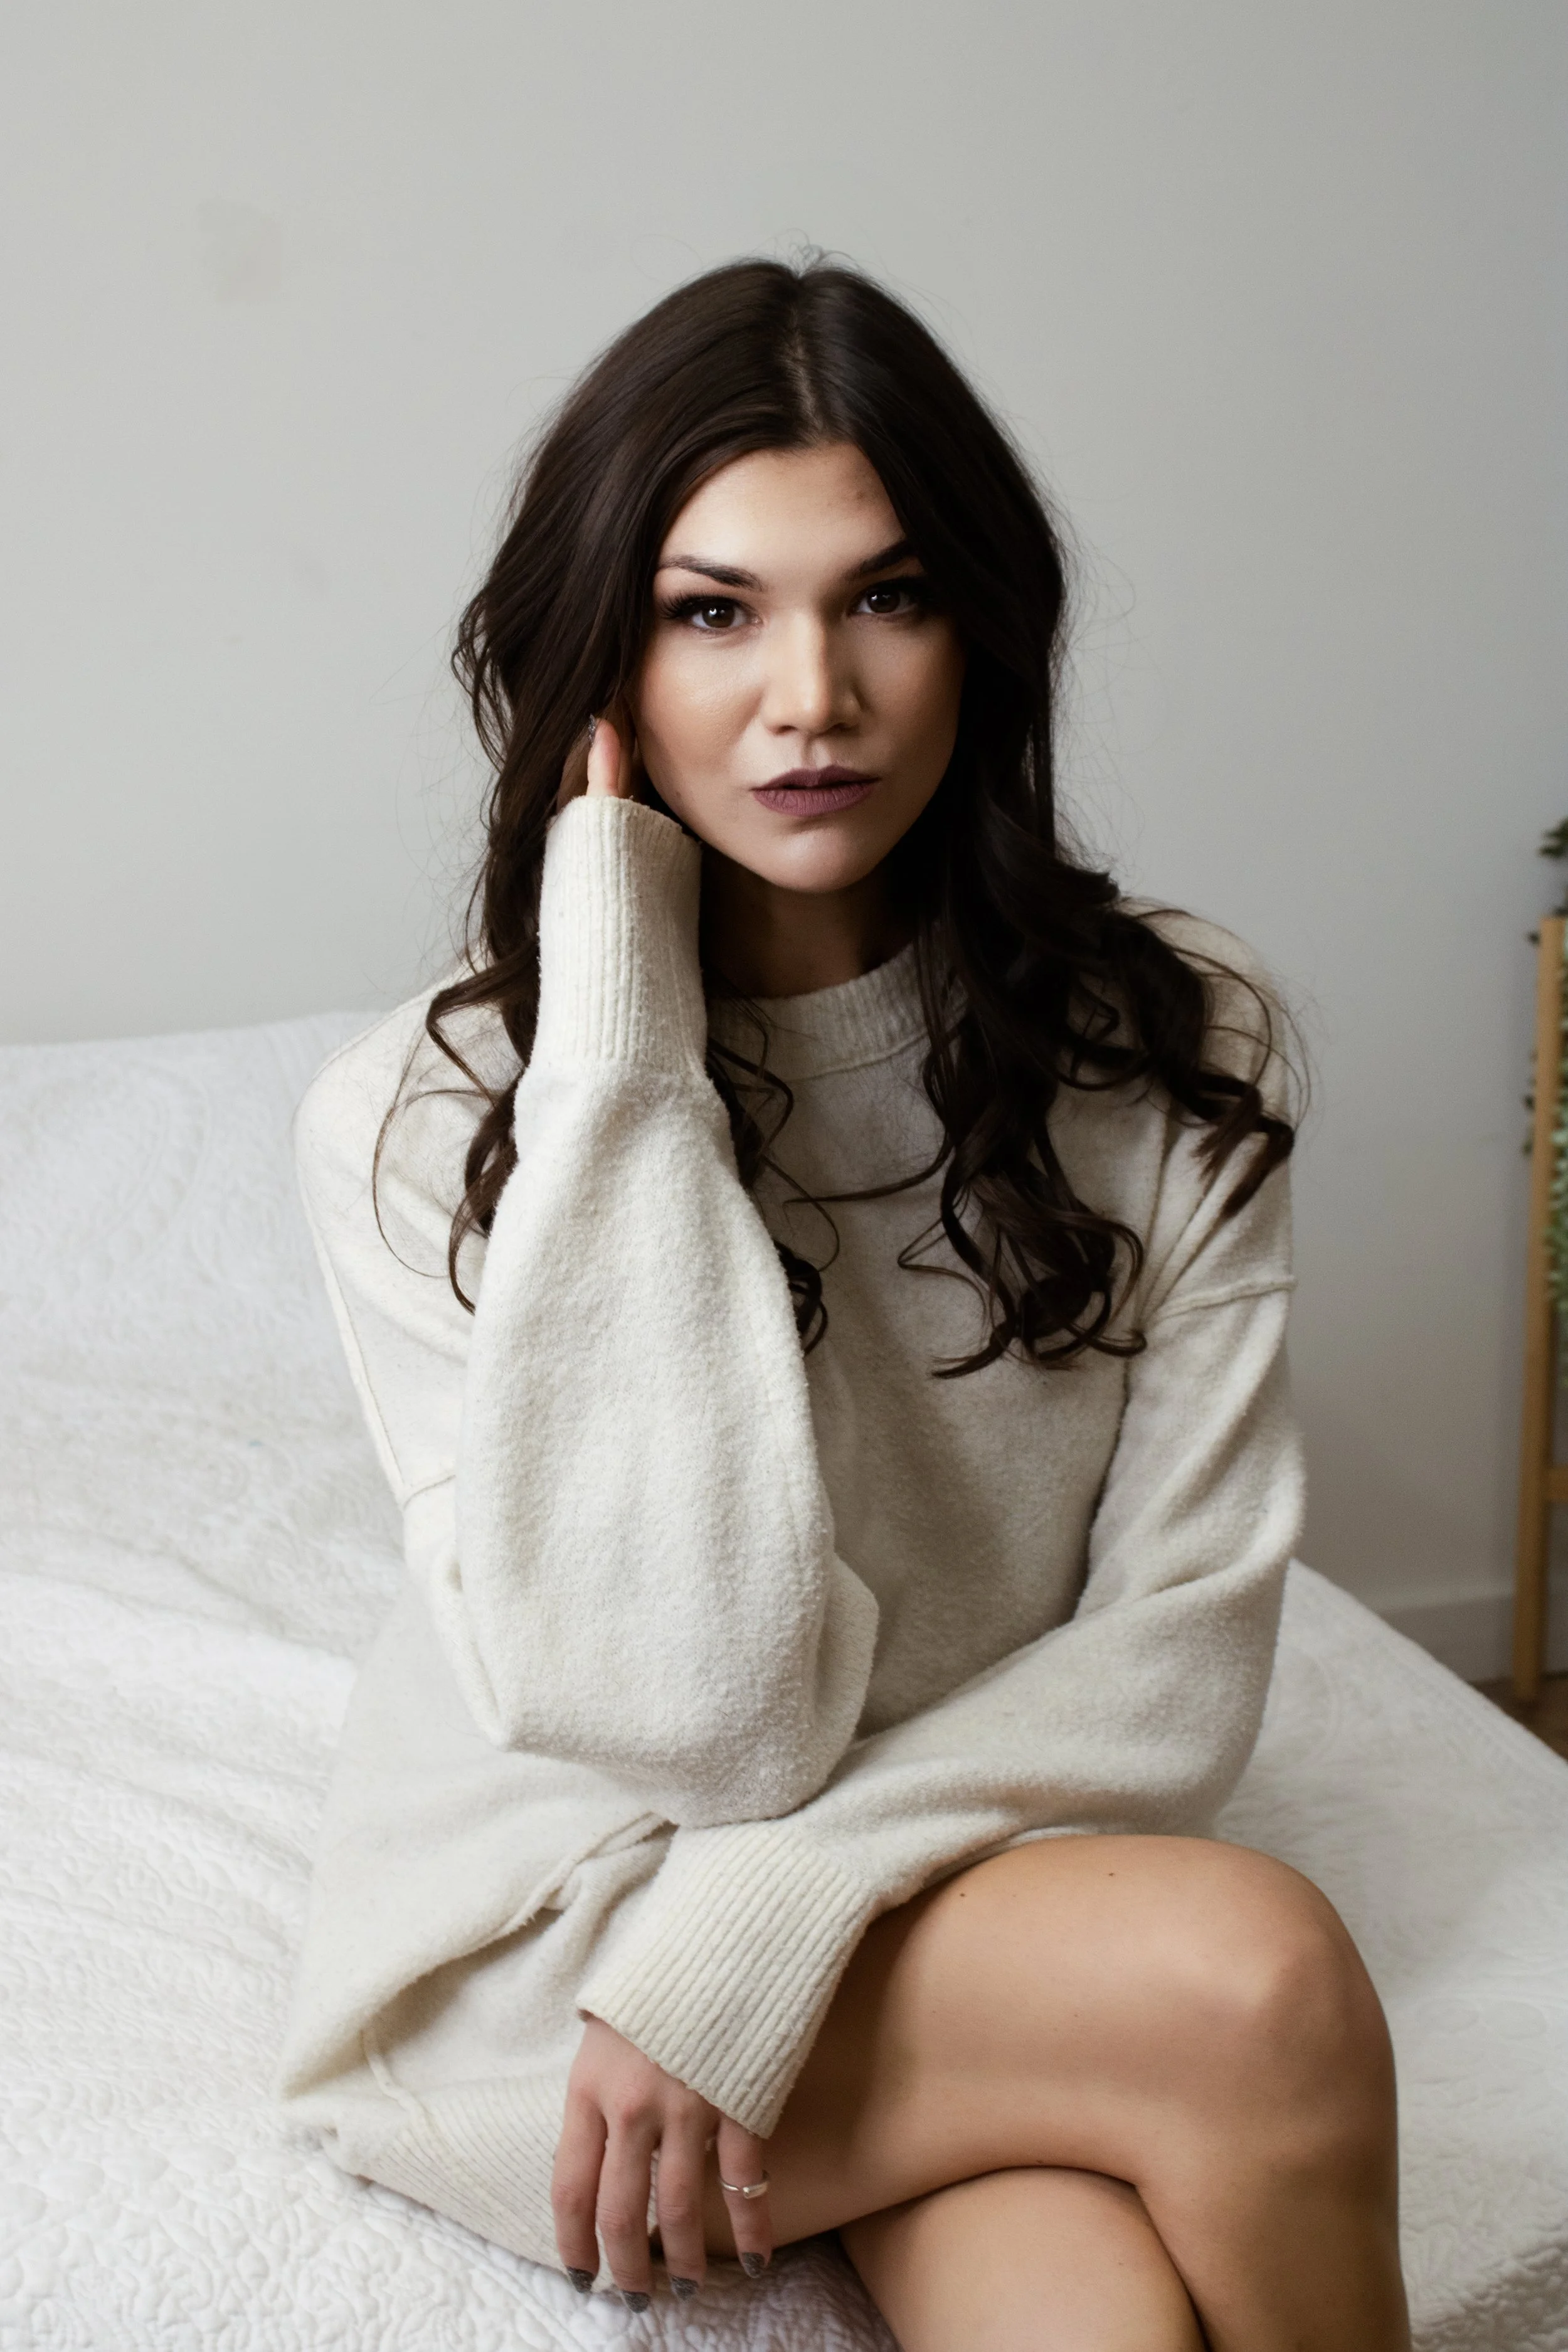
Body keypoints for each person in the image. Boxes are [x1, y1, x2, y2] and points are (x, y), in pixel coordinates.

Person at [277, 258, 1410, 2351]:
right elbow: (710, 1720)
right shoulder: (422, 1120)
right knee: (1254, 1984)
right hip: (580, 1961)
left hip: (926, 1881)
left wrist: (778, 1919)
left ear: (981, 628)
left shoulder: (1176, 1038)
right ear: (601, 653)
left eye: (885, 597)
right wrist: (618, 1022)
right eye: (712, 613)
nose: (813, 695)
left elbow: (1178, 1656)